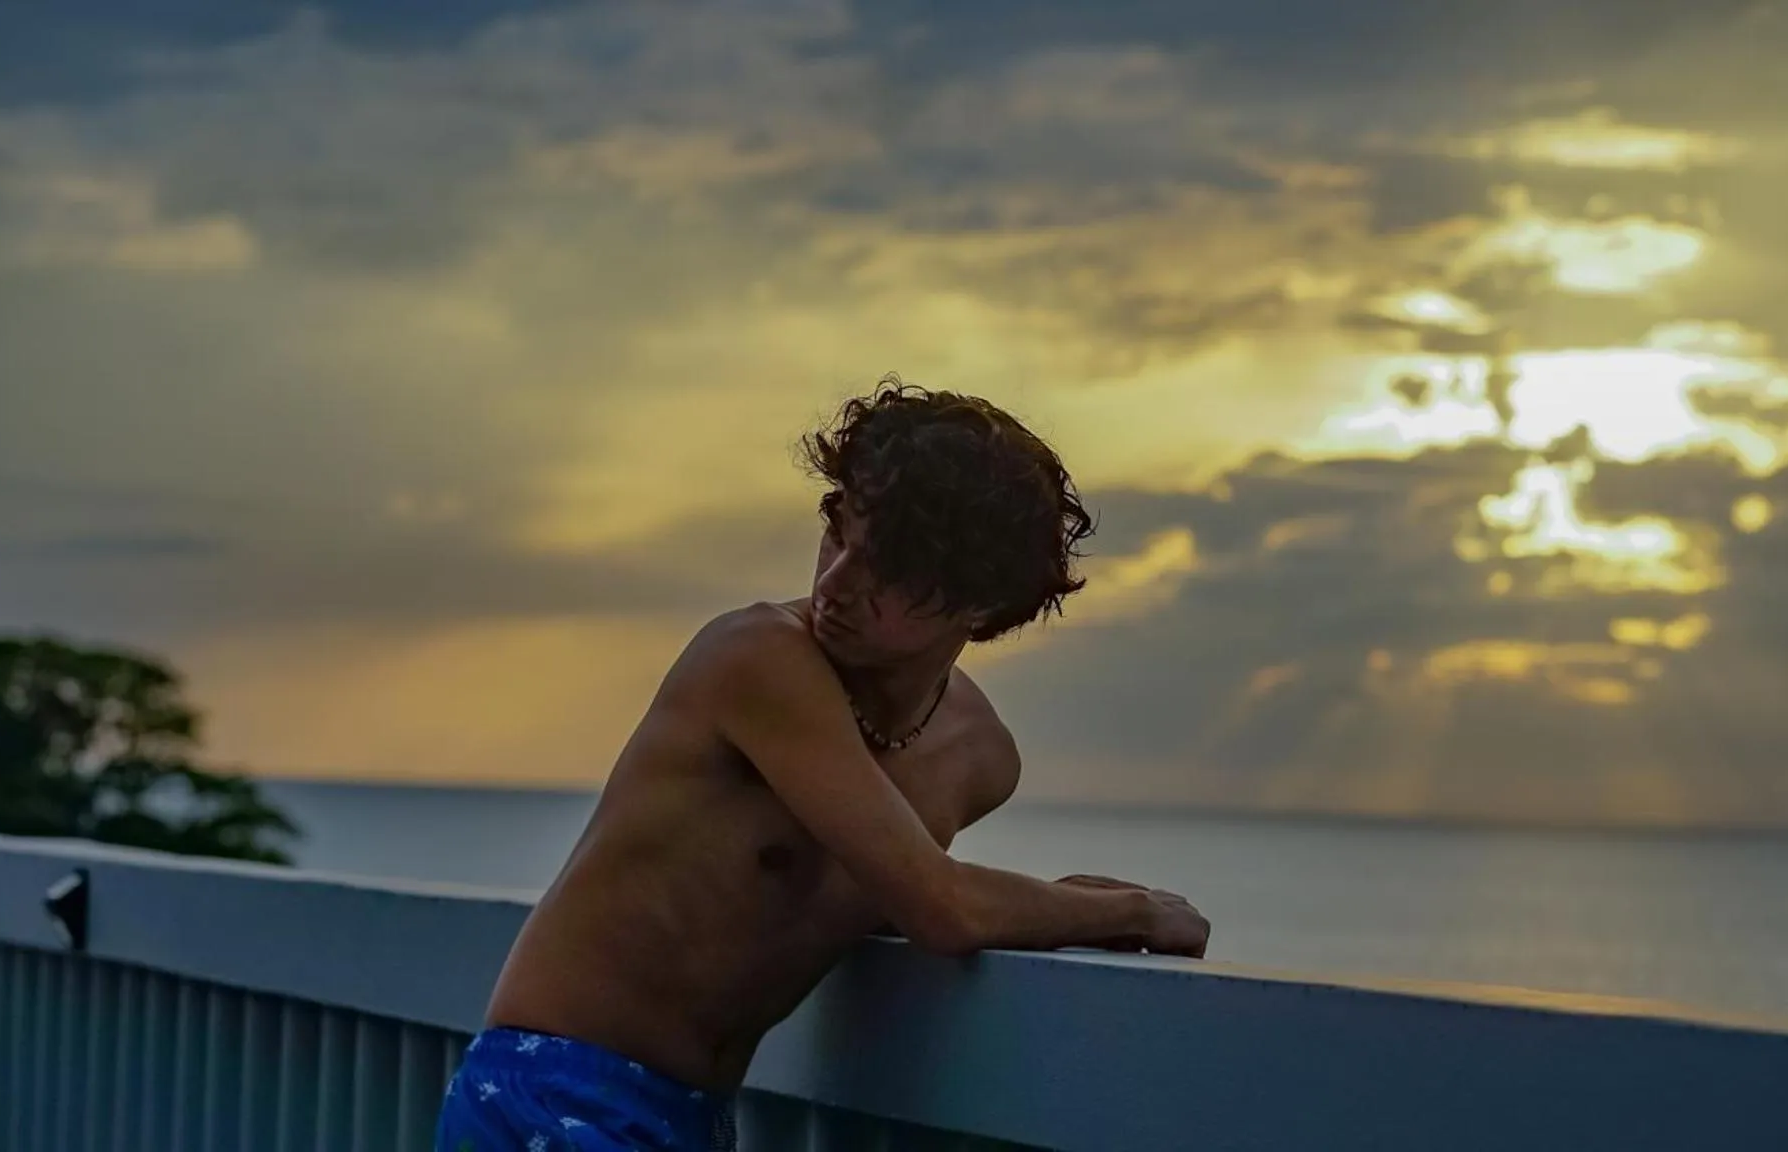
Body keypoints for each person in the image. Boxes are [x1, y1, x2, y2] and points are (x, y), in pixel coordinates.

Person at [436, 380, 1211, 1152]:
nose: (835, 584)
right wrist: (1129, 912)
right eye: (839, 533)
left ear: (979, 602)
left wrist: (1045, 911)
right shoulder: (758, 658)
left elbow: (895, 895)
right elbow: (944, 909)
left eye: (888, 572)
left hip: (695, 1116)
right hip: (552, 1089)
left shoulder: (979, 760)